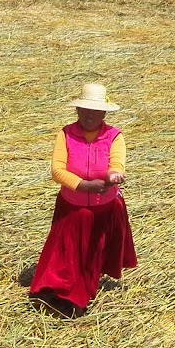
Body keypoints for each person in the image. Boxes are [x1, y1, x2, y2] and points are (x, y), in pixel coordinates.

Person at [25, 83, 136, 318]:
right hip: (72, 207)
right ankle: (60, 292)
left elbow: (116, 163)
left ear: (104, 113)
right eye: (85, 110)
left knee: (91, 256)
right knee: (66, 254)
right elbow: (57, 170)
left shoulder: (114, 136)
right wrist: (83, 185)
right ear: (77, 111)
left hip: (102, 210)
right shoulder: (65, 134)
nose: (89, 116)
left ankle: (77, 296)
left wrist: (113, 174)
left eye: (95, 112)